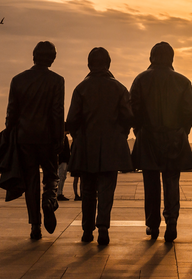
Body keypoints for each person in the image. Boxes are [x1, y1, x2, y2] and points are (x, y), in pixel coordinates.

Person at [66, 47, 134, 245]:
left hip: (87, 146)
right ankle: (103, 226)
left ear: (89, 65)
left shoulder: (80, 88)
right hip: (112, 148)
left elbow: (71, 121)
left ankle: (87, 228)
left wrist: (79, 136)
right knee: (106, 190)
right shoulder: (119, 88)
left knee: (88, 190)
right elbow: (129, 117)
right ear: (109, 64)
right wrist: (121, 133)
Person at [130, 42, 192, 242]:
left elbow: (133, 110)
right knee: (171, 182)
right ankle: (172, 222)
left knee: (151, 184)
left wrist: (139, 129)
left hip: (148, 137)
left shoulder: (141, 80)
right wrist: (182, 131)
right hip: (174, 138)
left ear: (151, 58)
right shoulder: (183, 82)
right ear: (172, 58)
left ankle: (152, 224)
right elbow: (190, 112)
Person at [5, 41, 64, 240]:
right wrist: (59, 137)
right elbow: (57, 112)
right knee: (51, 175)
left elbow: (12, 112)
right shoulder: (57, 81)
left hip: (24, 138)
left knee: (31, 181)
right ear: (52, 58)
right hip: (47, 137)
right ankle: (49, 201)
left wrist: (10, 133)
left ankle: (35, 225)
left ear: (34, 55)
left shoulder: (18, 80)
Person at [57, 134, 70, 201]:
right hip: (63, 160)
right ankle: (59, 193)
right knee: (61, 177)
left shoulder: (63, 138)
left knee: (62, 177)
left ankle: (59, 192)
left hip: (64, 160)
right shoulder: (63, 138)